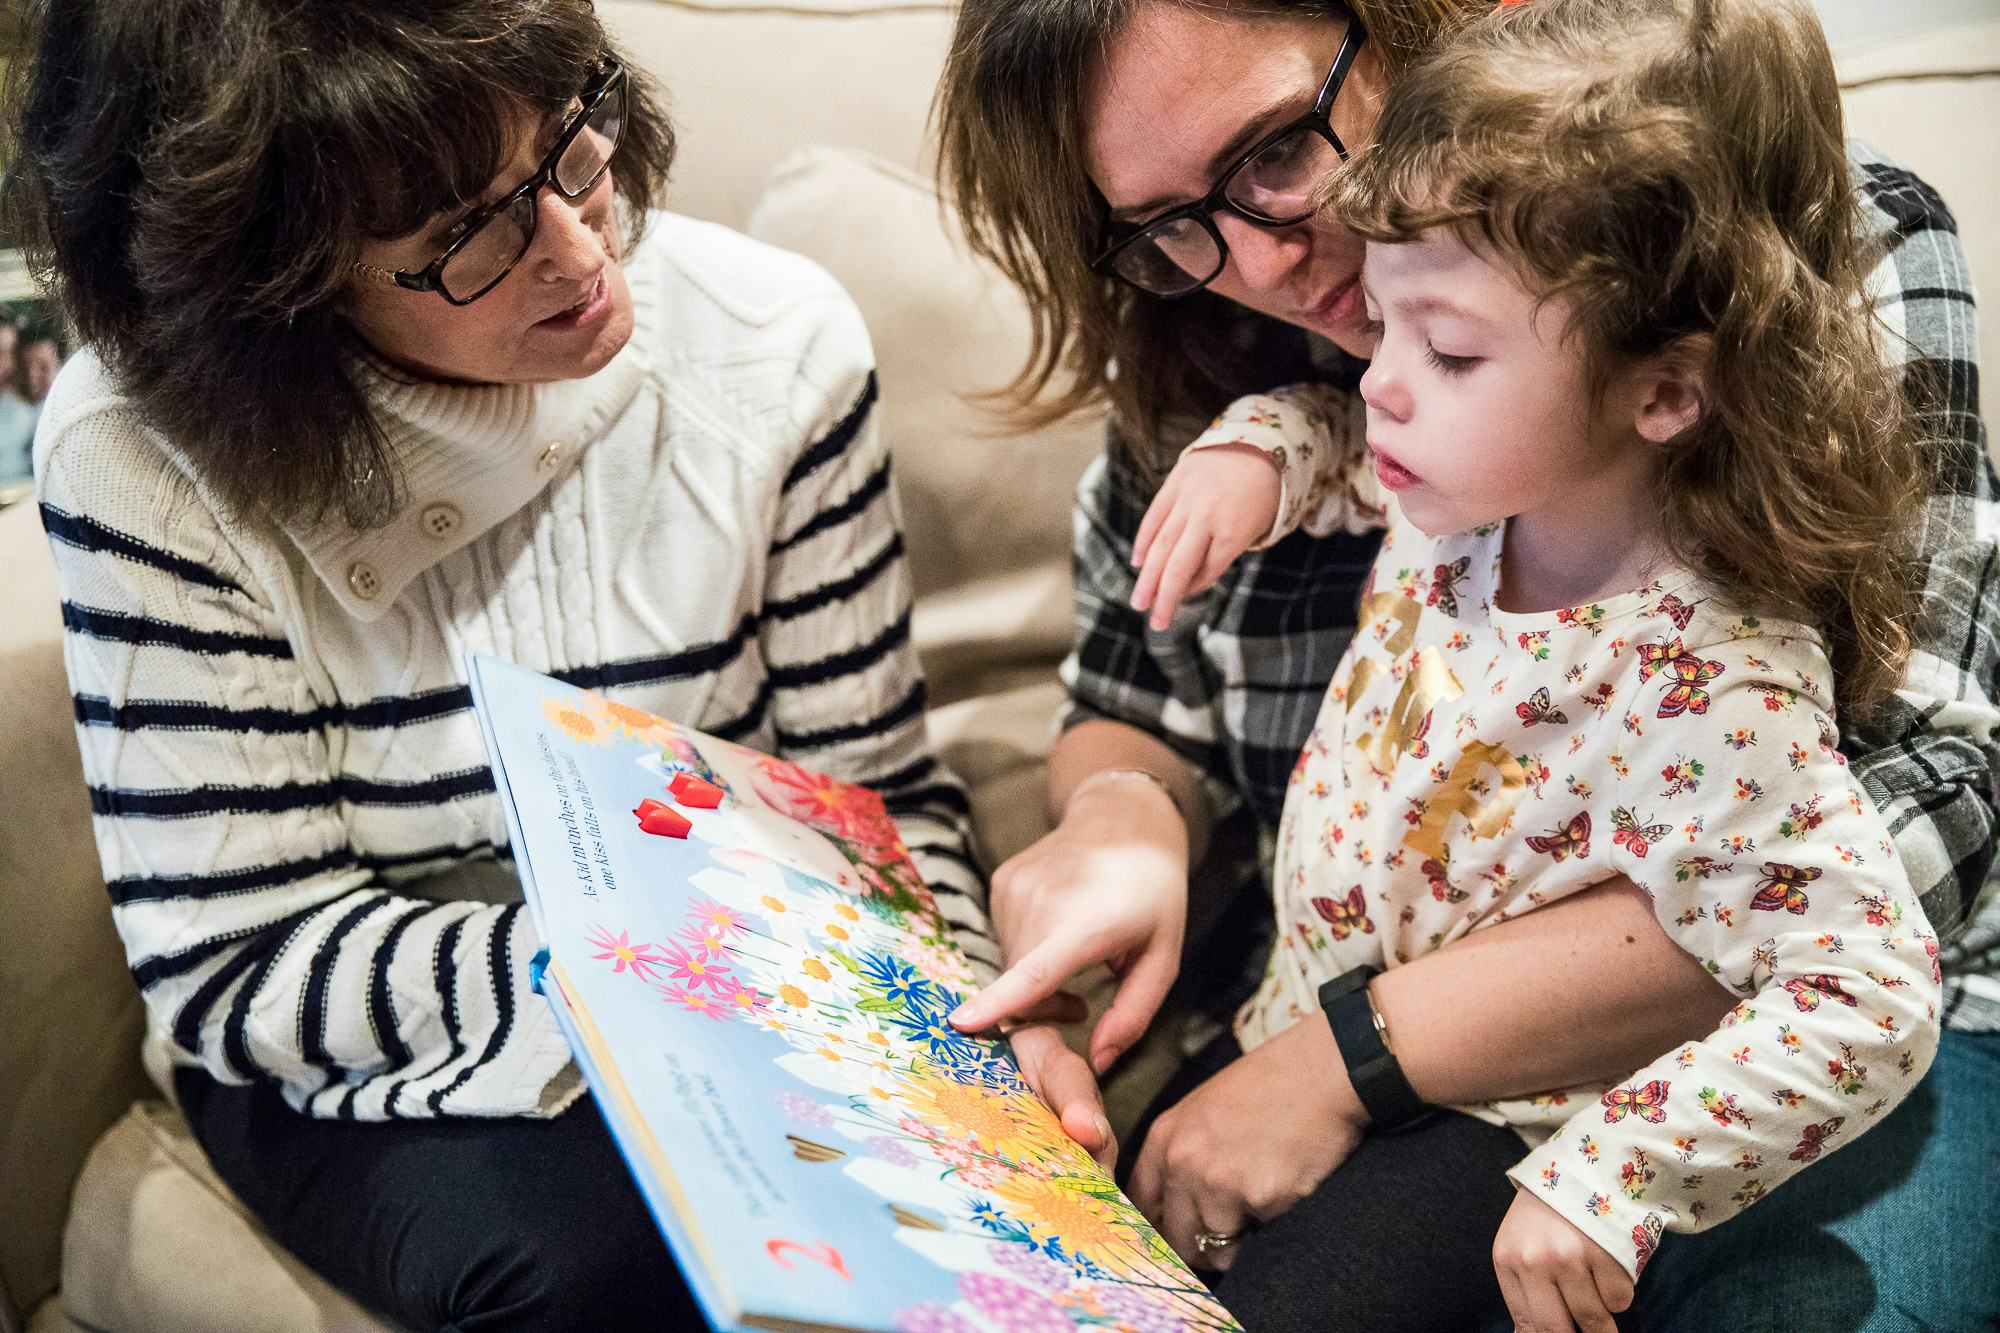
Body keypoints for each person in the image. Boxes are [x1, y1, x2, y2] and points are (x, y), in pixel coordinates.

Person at [5, 1, 1106, 1328]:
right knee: (593, 1268)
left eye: (572, 141)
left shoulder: (775, 345)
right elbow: (238, 957)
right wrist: (654, 973)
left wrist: (977, 1039)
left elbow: (874, 804)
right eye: (467, 235)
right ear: (280, 289)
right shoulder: (141, 453)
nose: (581, 247)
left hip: (744, 991)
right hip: (352, 1031)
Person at [935, 0, 2000, 1328]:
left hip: (1619, 1073)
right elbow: (1143, 678)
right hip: (1306, 1012)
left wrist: (1366, 1063)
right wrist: (1121, 815)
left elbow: (1910, 846)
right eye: (1163, 226)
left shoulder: (1705, 657)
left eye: (1274, 149)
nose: (1259, 261)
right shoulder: (1460, 475)